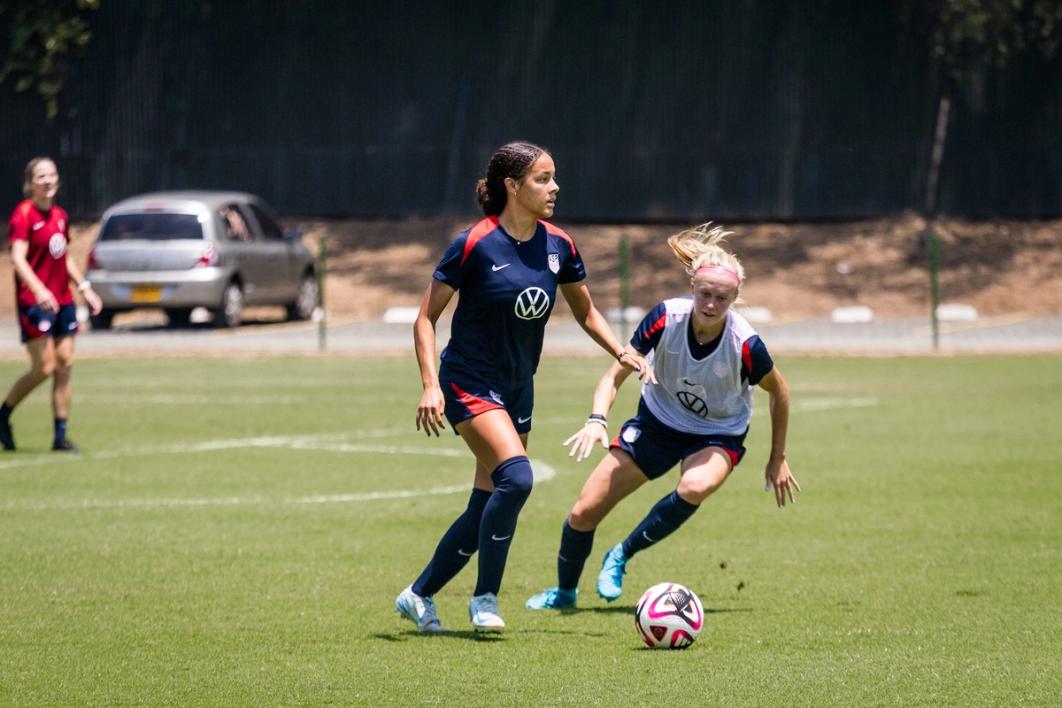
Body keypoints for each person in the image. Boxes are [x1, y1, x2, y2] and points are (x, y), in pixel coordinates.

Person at [395, 141, 651, 634]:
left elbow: (585, 311)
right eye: (542, 179)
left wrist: (618, 349)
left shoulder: (560, 245)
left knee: (486, 503)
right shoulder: (473, 243)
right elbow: (425, 319)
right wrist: (430, 385)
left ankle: (418, 594)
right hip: (467, 382)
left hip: (517, 387)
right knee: (518, 479)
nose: (554, 188)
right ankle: (485, 598)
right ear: (511, 186)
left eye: (554, 177)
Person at [525, 223, 799, 610]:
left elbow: (780, 392)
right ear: (692, 289)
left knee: (694, 487)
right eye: (705, 294)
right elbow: (613, 375)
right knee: (583, 512)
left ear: (734, 299)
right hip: (656, 423)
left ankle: (621, 554)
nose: (711, 304)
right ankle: (565, 593)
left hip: (718, 434)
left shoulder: (746, 345)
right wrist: (596, 420)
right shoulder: (664, 319)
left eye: (722, 298)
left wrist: (778, 458)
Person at [1, 157, 102, 453]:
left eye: (52, 175)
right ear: (30, 183)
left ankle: (60, 436)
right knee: (44, 367)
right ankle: (3, 414)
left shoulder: (59, 215)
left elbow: (65, 256)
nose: (47, 181)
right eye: (41, 176)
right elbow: (18, 259)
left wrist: (85, 288)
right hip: (34, 302)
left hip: (63, 300)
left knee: (65, 365)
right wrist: (39, 288)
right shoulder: (24, 214)